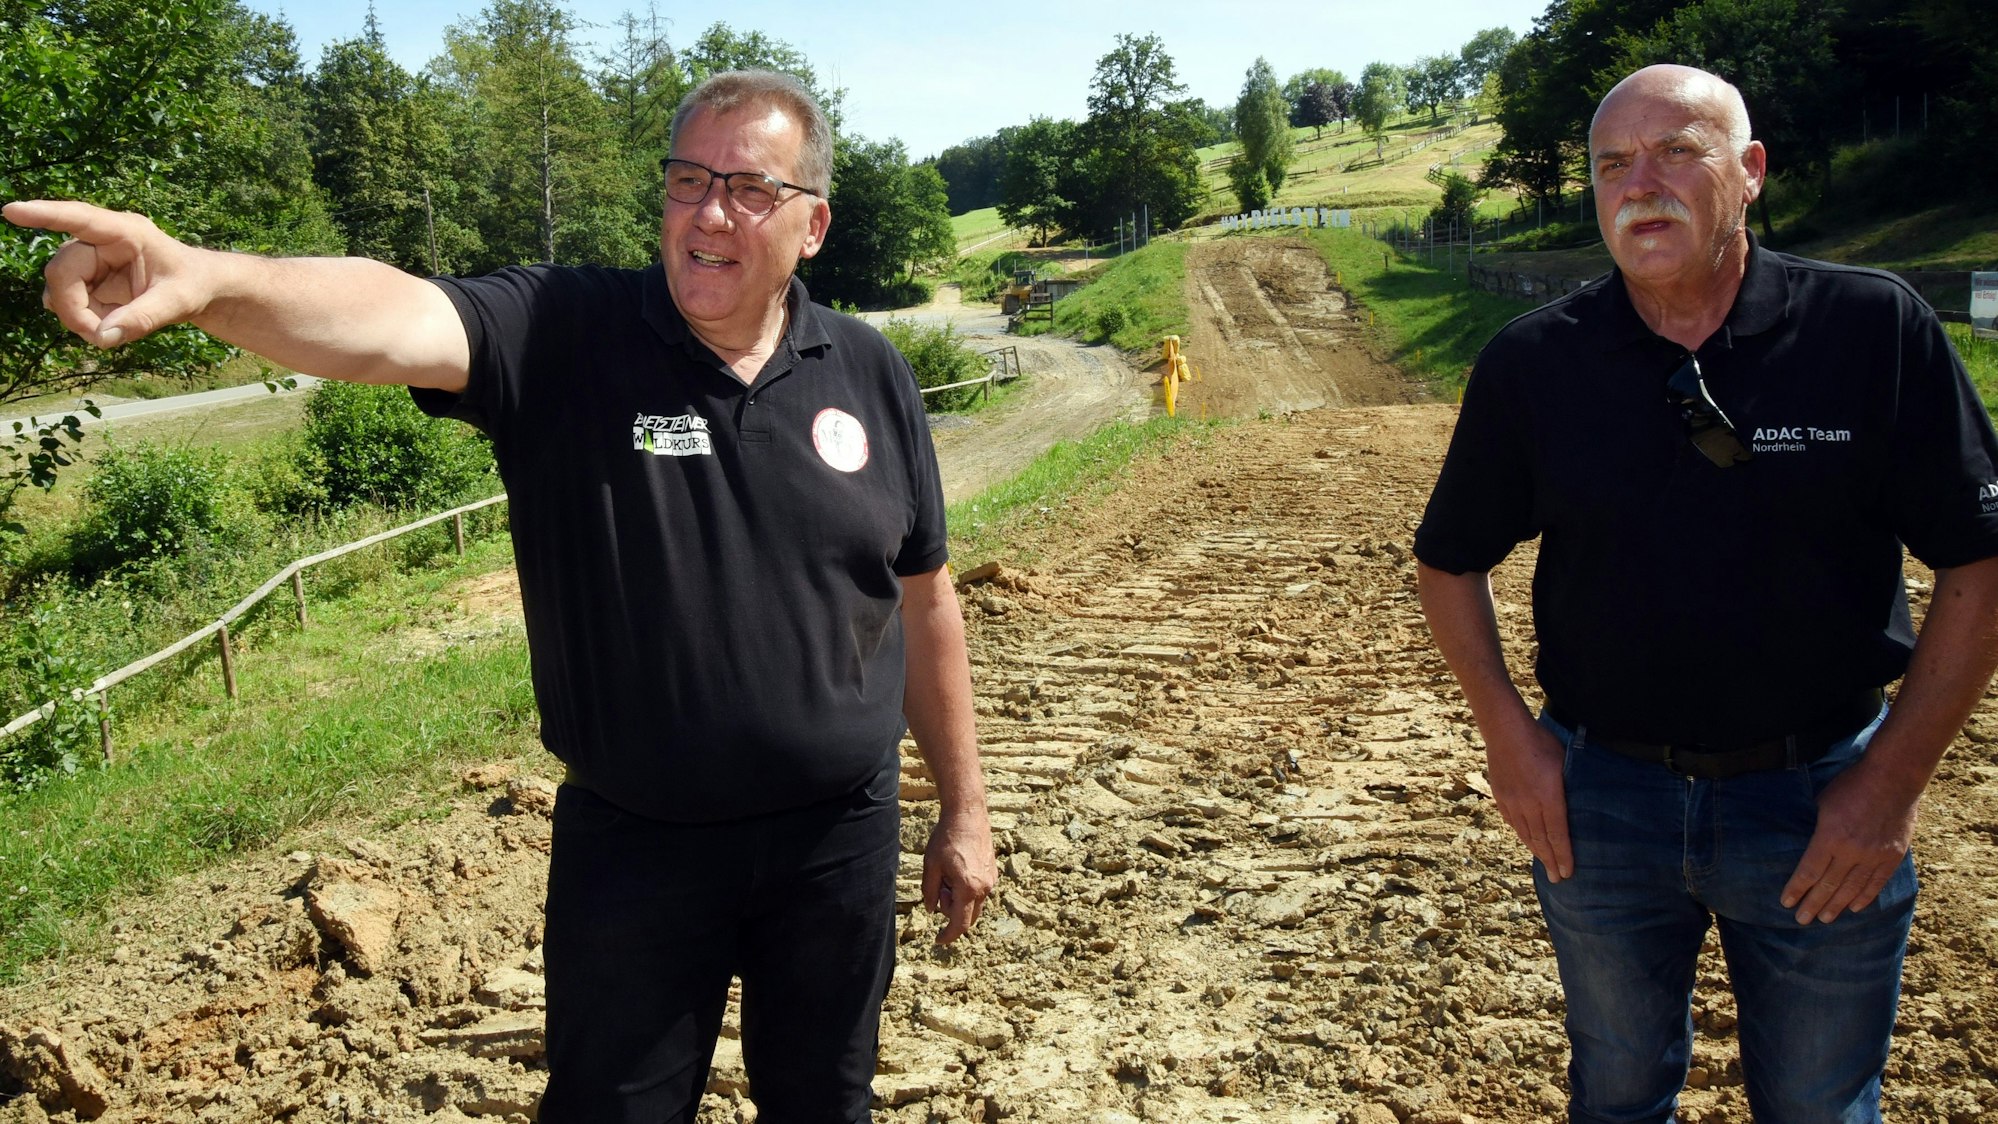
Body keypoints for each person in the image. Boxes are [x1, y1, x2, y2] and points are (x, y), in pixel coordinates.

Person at [5, 69, 995, 1123]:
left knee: (827, 1103)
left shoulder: (869, 369)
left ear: (812, 224)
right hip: (639, 848)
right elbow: (395, 316)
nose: (709, 212)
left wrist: (965, 807)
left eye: (750, 187)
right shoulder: (569, 333)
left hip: (836, 839)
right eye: (687, 179)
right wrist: (206, 276)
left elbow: (925, 597)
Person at [1413, 63, 1998, 1122]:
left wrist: (1890, 784)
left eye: (1676, 152)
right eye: (1611, 165)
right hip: (1602, 808)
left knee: (1822, 1104)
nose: (1641, 184)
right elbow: (1449, 558)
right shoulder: (1536, 361)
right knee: (1620, 1090)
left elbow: (1981, 558)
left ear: (1751, 172)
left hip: (1823, 799)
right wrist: (1509, 734)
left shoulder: (1873, 330)